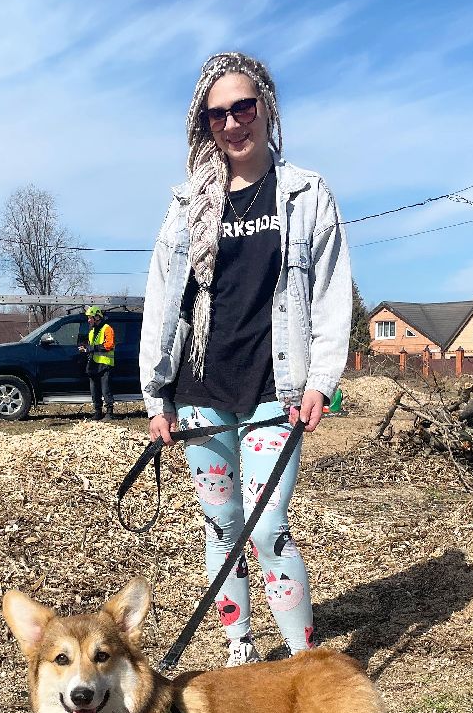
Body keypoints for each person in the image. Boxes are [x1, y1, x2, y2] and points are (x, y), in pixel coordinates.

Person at [139, 51, 351, 666]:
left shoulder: (306, 195)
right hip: (200, 390)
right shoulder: (187, 205)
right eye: (217, 115)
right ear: (204, 125)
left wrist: (322, 380)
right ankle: (240, 653)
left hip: (273, 386)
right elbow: (161, 300)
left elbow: (332, 291)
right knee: (219, 526)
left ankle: (302, 660)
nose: (233, 123)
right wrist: (157, 395)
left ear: (266, 109)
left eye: (243, 107)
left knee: (265, 526)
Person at [80, 306, 115, 420]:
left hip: (104, 364)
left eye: (90, 318)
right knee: (94, 390)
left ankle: (109, 413)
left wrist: (92, 348)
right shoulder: (92, 331)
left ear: (97, 317)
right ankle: (98, 412)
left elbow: (109, 345)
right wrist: (86, 348)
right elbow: (92, 347)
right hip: (93, 365)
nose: (88, 320)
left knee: (106, 390)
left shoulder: (107, 328)